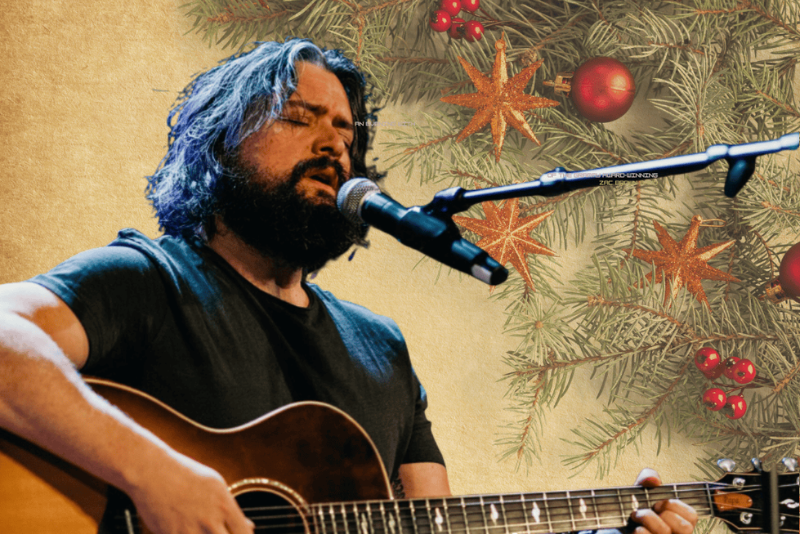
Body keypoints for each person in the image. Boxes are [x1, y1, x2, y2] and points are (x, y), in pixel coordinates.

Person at [0, 39, 697, 534]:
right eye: (299, 120)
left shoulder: (380, 349)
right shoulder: (144, 281)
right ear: (215, 146)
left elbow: (434, 526)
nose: (335, 147)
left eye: (346, 131)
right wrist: (155, 476)